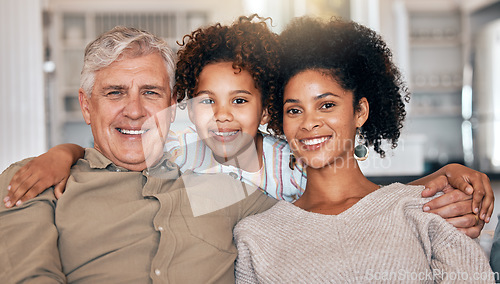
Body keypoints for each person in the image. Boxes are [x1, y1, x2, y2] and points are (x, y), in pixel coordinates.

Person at [3, 16, 495, 239]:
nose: (221, 115)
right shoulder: (181, 153)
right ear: (185, 108)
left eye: (239, 101)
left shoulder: (289, 160)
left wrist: (431, 181)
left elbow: (352, 203)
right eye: (205, 101)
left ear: (263, 111)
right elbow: (105, 151)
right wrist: (59, 154)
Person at [0, 26, 276, 283]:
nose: (134, 111)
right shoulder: (37, 179)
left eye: (150, 92)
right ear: (86, 106)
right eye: (115, 92)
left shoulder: (226, 187)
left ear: (171, 104)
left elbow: (309, 214)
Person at [233, 17, 495, 283]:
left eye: (327, 105)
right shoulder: (255, 236)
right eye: (294, 110)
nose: (309, 122)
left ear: (360, 112)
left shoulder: (424, 209)